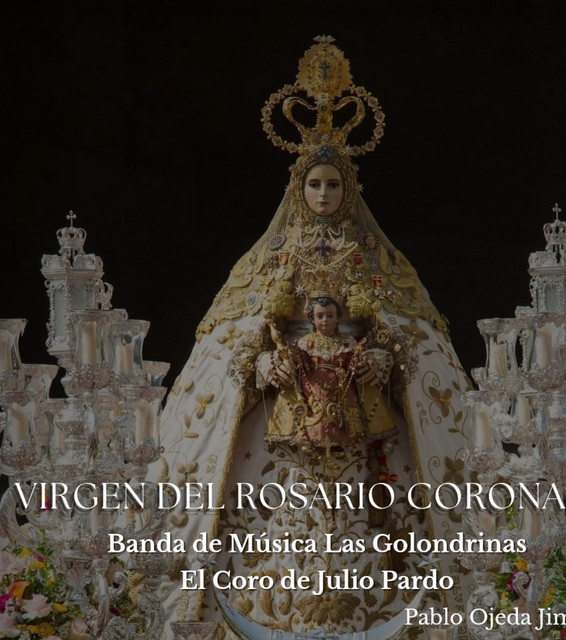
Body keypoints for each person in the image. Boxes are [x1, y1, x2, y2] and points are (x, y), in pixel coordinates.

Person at [153, 37, 472, 639]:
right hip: (286, 408)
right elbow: (240, 335)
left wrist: (384, 357)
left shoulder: (374, 259)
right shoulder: (271, 259)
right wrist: (261, 366)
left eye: (332, 185)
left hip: (361, 404)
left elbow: (408, 333)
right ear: (298, 190)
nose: (323, 195)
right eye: (314, 185)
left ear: (349, 190)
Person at [257, 295, 395, 452]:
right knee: (312, 412)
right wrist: (287, 359)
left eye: (330, 316)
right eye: (320, 316)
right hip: (312, 386)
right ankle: (308, 437)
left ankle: (346, 438)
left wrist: (362, 362)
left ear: (338, 318)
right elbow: (298, 360)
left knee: (345, 414)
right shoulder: (305, 341)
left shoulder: (346, 341)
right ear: (312, 319)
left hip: (342, 386)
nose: (325, 320)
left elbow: (354, 358)